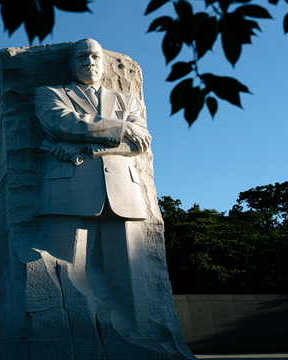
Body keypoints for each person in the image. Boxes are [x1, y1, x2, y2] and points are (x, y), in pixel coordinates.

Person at [32, 39, 193, 358]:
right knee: (68, 272)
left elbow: (139, 144)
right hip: (69, 191)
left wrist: (83, 146)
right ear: (70, 64)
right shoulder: (50, 94)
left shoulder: (127, 101)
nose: (88, 61)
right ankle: (76, 342)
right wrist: (120, 129)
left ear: (103, 64)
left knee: (130, 278)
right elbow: (62, 123)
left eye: (94, 56)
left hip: (122, 190)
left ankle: (141, 339)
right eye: (81, 56)